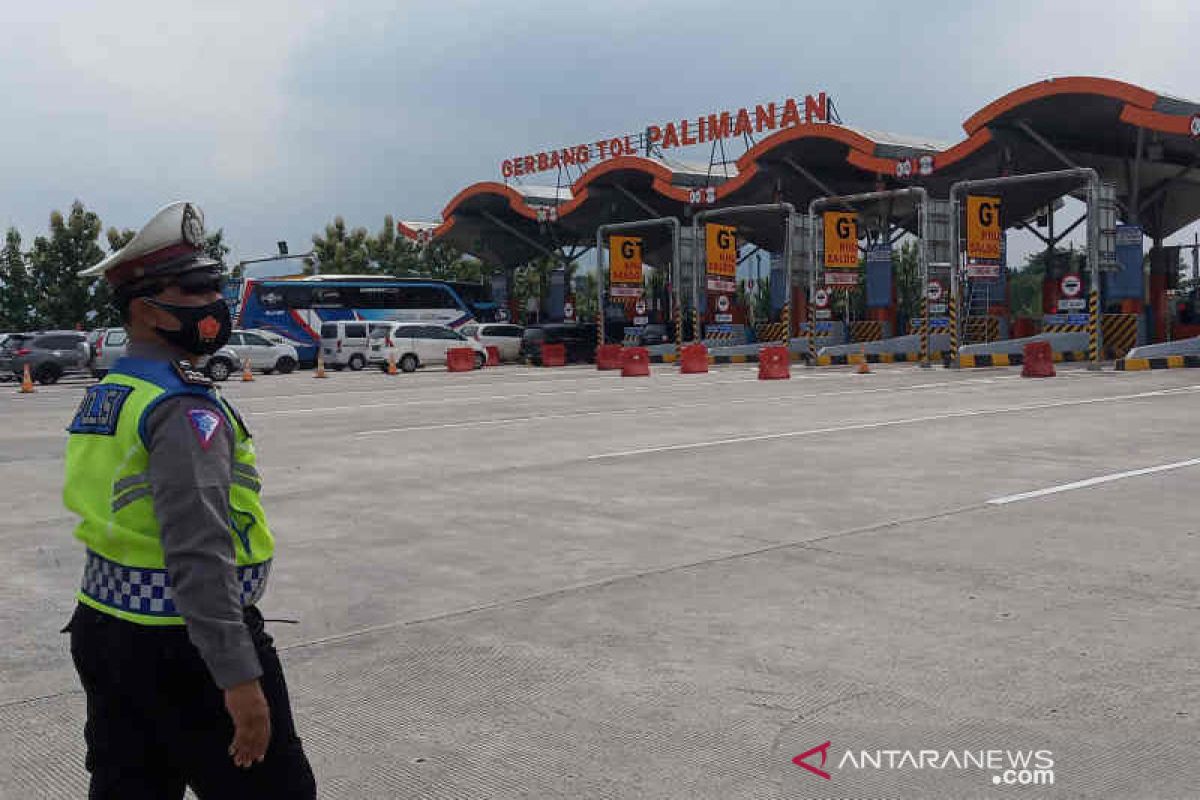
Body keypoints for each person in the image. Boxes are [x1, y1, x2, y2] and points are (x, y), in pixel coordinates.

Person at [63, 201, 316, 799]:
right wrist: (237, 677)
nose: (214, 304)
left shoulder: (115, 391)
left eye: (215, 287)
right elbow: (198, 550)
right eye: (197, 290)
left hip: (106, 628)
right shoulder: (180, 405)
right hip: (186, 645)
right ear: (146, 310)